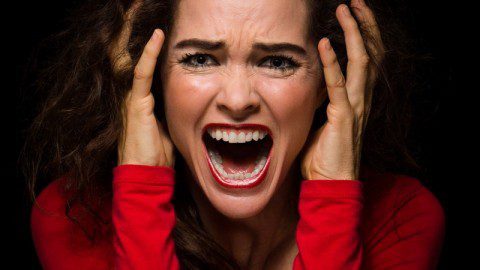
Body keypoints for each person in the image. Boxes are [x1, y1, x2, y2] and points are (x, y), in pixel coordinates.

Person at [23, 0, 445, 269]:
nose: (239, 99)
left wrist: (335, 196)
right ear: (150, 80)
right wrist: (140, 193)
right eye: (201, 58)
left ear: (326, 86)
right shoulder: (74, 221)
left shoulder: (401, 221)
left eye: (278, 62)